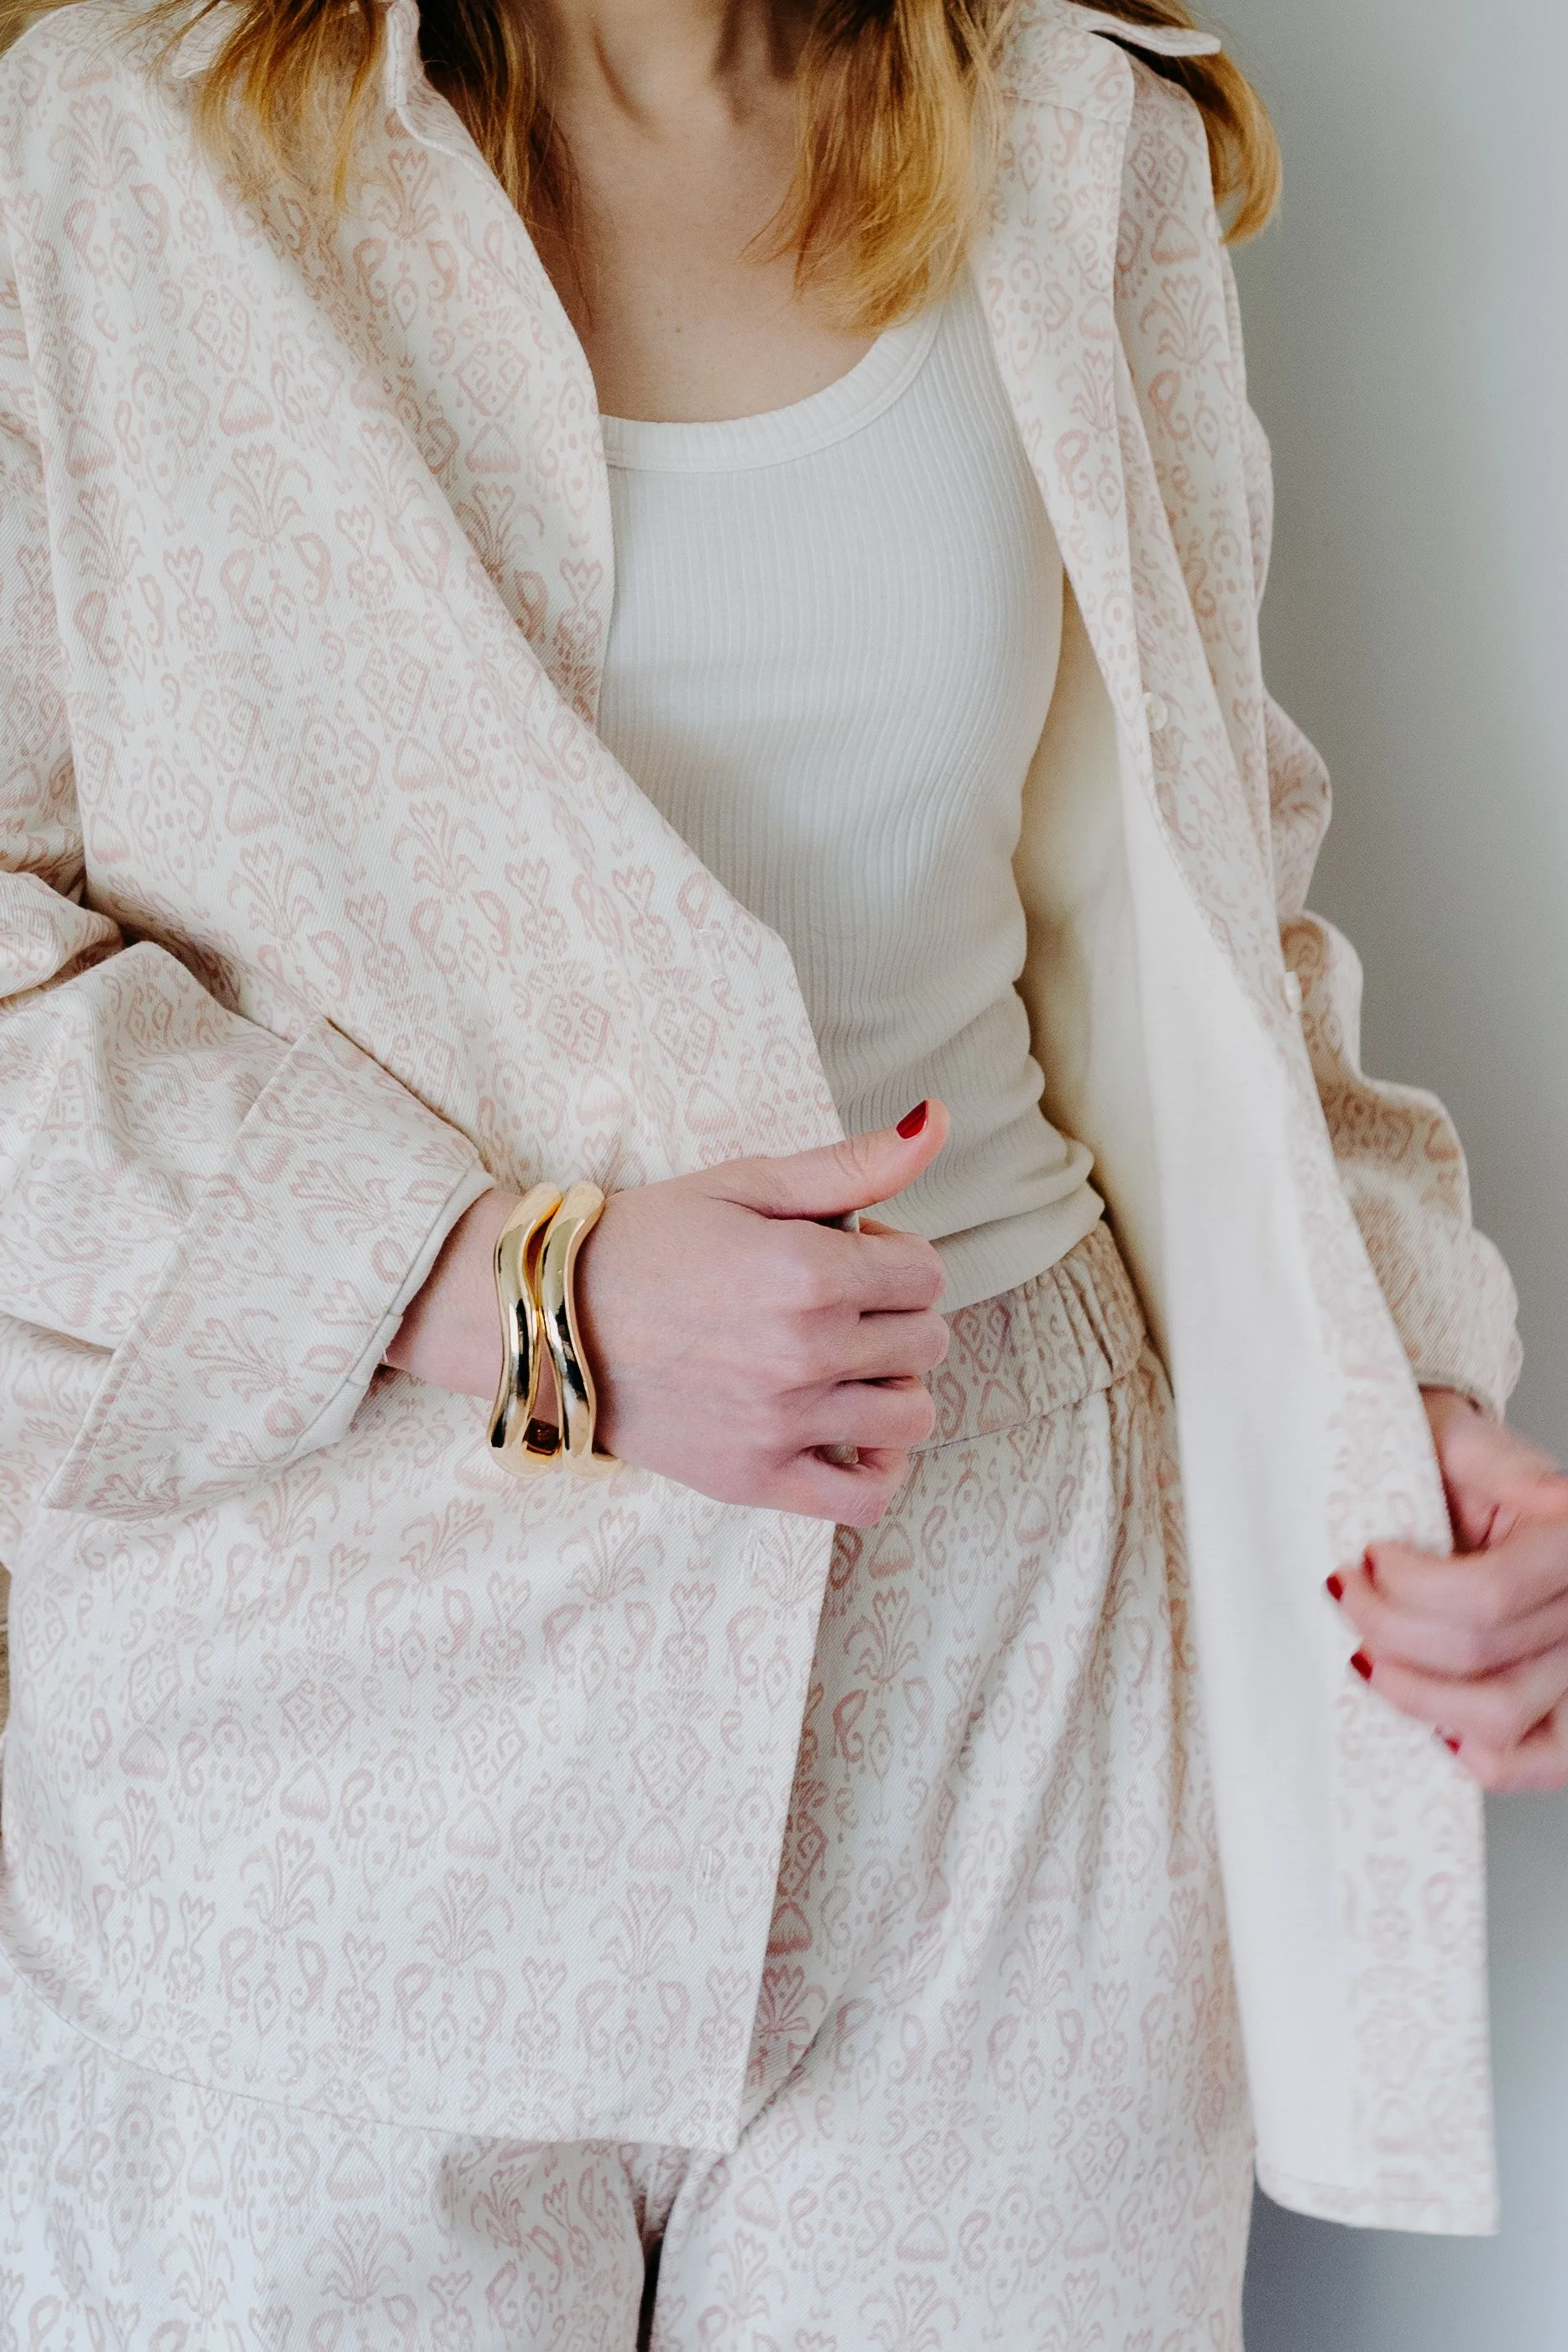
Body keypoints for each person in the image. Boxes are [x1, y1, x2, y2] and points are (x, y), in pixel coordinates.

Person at [2, 0, 1567, 2339]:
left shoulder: (1072, 131)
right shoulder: (114, 143)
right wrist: (495, 1282)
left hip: (1020, 1638)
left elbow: (1210, 888)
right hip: (330, 1667)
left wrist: (1406, 1408)